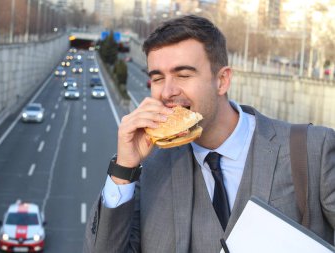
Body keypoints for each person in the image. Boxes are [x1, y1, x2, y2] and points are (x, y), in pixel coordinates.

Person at [83, 15, 335, 252]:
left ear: (222, 80)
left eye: (183, 74)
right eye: (158, 78)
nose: (167, 91)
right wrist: (124, 168)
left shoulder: (313, 150)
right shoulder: (149, 169)